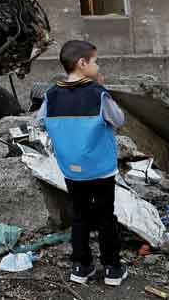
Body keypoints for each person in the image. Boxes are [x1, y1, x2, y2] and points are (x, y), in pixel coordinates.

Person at [36, 40, 127, 286]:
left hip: (70, 168)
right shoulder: (98, 94)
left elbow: (41, 121)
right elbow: (119, 120)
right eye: (96, 61)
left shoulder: (51, 94)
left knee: (80, 216)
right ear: (82, 63)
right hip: (100, 168)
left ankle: (80, 266)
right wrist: (102, 90)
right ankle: (112, 269)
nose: (98, 66)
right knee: (106, 216)